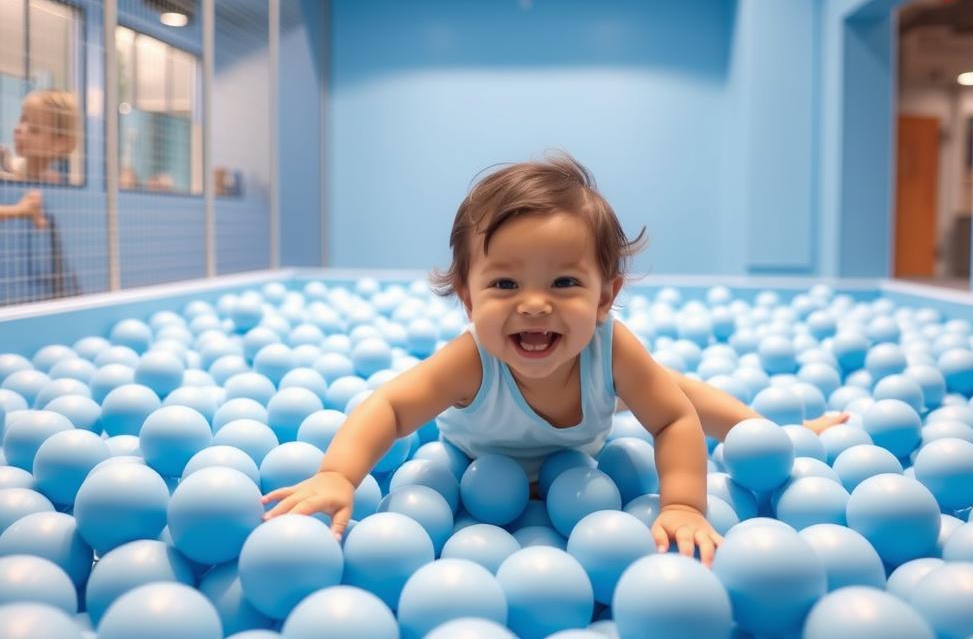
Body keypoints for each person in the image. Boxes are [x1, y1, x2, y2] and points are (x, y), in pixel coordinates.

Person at [263, 153, 847, 564]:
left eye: (565, 282)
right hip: (476, 467)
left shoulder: (610, 348)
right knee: (662, 392)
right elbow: (389, 406)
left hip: (583, 449)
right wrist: (339, 475)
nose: (535, 306)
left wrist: (685, 505)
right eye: (505, 285)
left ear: (605, 298)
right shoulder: (471, 362)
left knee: (674, 392)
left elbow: (671, 422)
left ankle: (767, 432)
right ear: (467, 298)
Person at [1, 89, 80, 184]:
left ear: (60, 142)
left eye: (34, 129)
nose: (18, 129)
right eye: (22, 120)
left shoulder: (56, 178)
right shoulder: (16, 165)